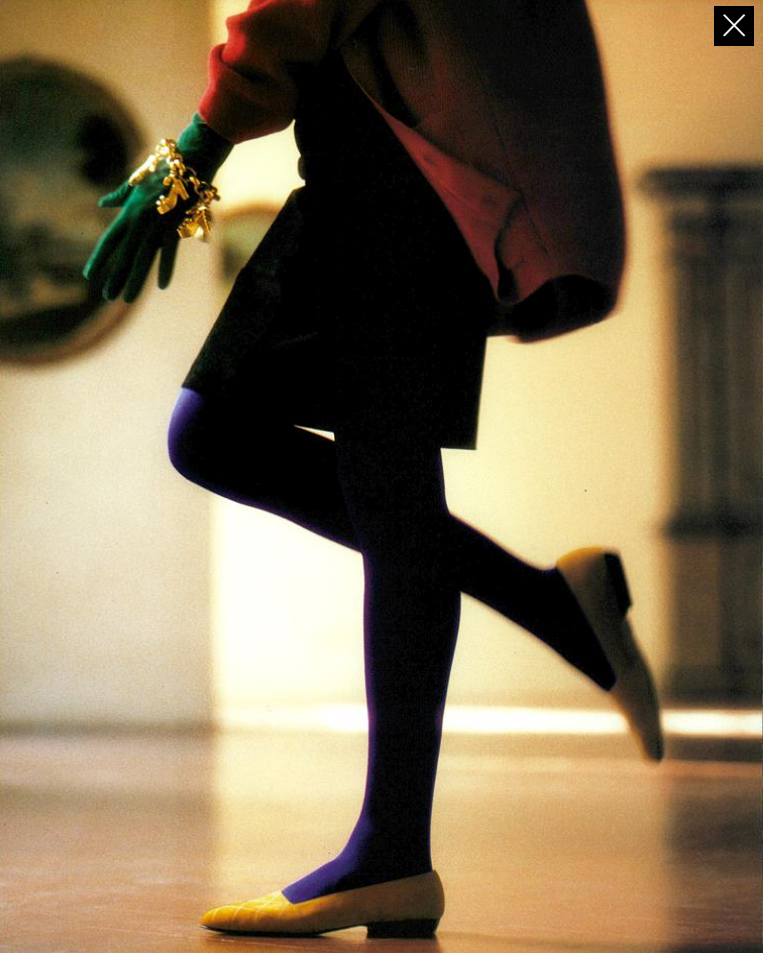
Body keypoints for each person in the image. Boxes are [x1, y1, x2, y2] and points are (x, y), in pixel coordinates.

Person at [84, 0, 663, 938]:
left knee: (375, 494)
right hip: (378, 171)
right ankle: (552, 611)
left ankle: (395, 848)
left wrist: (196, 151)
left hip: (398, 182)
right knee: (229, 441)